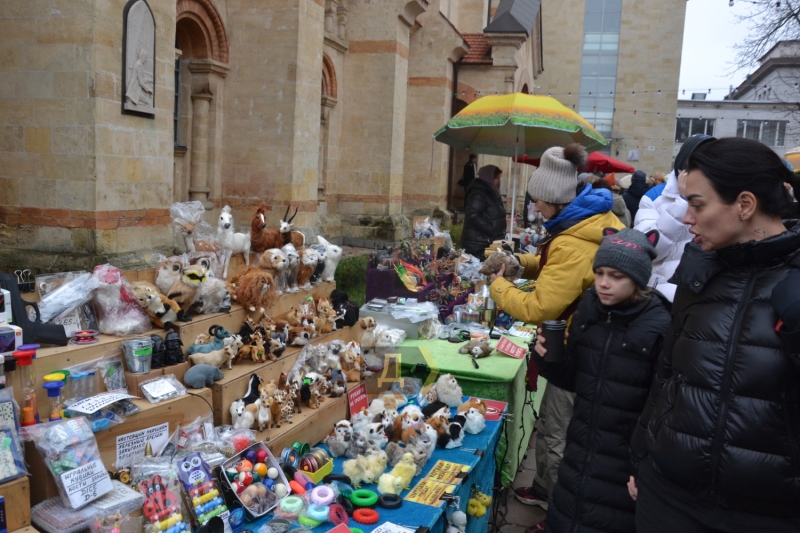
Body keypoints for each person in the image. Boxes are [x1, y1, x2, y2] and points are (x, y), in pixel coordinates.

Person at [632, 137, 800, 532]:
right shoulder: (699, 270)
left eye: (697, 204)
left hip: (767, 513)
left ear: (744, 205)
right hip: (668, 499)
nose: (687, 218)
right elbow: (668, 373)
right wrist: (641, 458)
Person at [488, 143, 625, 518]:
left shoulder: (575, 240)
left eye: (538, 202)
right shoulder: (583, 222)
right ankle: (547, 488)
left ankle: (558, 510)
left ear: (554, 199)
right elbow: (557, 268)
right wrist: (520, 264)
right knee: (555, 424)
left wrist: (499, 287)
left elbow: (539, 307)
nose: (535, 208)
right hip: (589, 343)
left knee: (558, 431)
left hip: (579, 348)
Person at [534, 228, 670, 533]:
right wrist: (548, 357)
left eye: (616, 276)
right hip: (579, 449)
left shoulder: (659, 323)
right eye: (599, 273)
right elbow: (575, 379)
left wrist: (645, 465)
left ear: (637, 278)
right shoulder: (590, 308)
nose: (604, 283)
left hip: (622, 461)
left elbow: (663, 403)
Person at [633, 135, 715, 301]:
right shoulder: (655, 197)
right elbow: (649, 250)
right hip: (660, 293)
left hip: (702, 291)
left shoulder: (717, 196)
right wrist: (684, 202)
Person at [461, 164, 506, 259]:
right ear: (490, 178)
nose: (499, 181)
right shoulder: (479, 192)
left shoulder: (491, 191)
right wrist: (492, 230)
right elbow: (473, 215)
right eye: (497, 178)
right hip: (478, 244)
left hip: (486, 241)